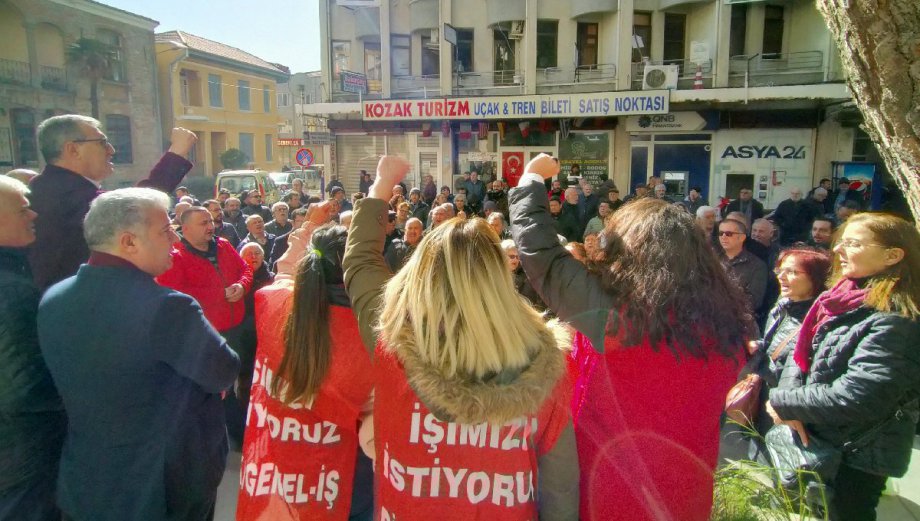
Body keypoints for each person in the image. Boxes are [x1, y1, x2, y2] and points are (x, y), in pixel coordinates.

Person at [510, 153, 752, 521]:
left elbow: (542, 255)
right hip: (686, 495)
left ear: (631, 252)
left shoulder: (618, 318)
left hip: (609, 492)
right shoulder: (726, 321)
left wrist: (530, 179)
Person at [343, 156, 578, 520]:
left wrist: (381, 185)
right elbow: (560, 490)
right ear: (499, 278)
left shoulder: (391, 340)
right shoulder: (545, 365)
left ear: (420, 275)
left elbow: (359, 261)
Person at [38, 188, 239, 520]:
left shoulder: (54, 297)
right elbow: (224, 370)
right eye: (165, 231)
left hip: (88, 478)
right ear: (128, 242)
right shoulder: (168, 307)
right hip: (162, 485)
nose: (174, 238)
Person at [767, 212, 920, 521]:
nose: (838, 250)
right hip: (820, 436)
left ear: (892, 255)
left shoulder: (897, 318)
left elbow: (856, 396)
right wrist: (789, 403)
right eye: (841, 242)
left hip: (858, 455)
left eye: (852, 243)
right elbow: (801, 356)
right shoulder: (840, 297)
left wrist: (782, 402)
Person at [237, 222, 374, 521]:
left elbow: (284, 271)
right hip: (352, 472)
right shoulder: (375, 330)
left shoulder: (277, 307)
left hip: (294, 467)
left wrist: (307, 228)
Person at [27, 115, 197, 291]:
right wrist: (176, 154)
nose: (111, 150)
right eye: (102, 142)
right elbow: (134, 208)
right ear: (72, 149)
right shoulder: (63, 194)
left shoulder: (49, 187)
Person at [0, 177, 66, 520]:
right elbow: (26, 389)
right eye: (24, 208)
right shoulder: (11, 291)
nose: (35, 215)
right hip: (23, 456)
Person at [742, 248, 831, 462]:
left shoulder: (819, 319)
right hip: (765, 398)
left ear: (815, 278)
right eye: (780, 270)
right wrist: (760, 345)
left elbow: (801, 365)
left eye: (792, 272)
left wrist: (789, 407)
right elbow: (778, 343)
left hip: (786, 405)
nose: (781, 277)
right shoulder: (783, 305)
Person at [720, 218, 769, 318]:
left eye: (729, 233)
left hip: (739, 321)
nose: (723, 237)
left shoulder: (757, 265)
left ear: (742, 237)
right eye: (721, 233)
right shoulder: (712, 261)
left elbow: (754, 301)